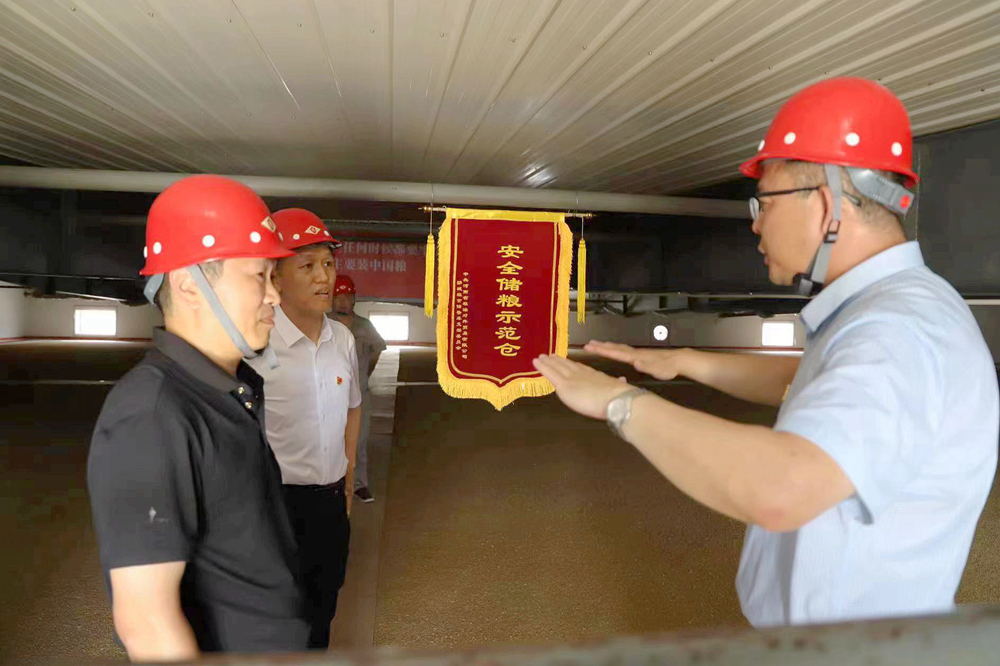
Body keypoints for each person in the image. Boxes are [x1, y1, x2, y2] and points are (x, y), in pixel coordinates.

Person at [533, 77, 999, 627]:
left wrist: (619, 403)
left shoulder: (897, 330)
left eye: (764, 201)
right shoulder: (897, 308)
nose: (755, 222)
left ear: (825, 203)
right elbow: (809, 383)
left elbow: (783, 487)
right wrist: (685, 362)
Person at [87, 175, 310, 659]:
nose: (275, 296)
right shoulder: (151, 416)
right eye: (259, 276)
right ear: (190, 285)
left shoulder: (229, 389)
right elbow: (147, 624)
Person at [247, 207, 362, 649]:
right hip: (273, 506)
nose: (324, 277)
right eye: (308, 265)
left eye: (328, 264)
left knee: (321, 611)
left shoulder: (343, 340)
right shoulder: (255, 345)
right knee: (273, 620)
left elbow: (353, 408)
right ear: (275, 277)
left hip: (329, 505)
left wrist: (348, 477)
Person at [331, 274, 387, 503]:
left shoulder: (364, 326)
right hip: (330, 395)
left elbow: (376, 350)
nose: (342, 302)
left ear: (354, 299)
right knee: (331, 441)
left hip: (360, 395)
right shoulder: (322, 324)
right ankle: (333, 485)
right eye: (338, 297)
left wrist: (364, 375)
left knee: (359, 440)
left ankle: (360, 485)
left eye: (347, 297)